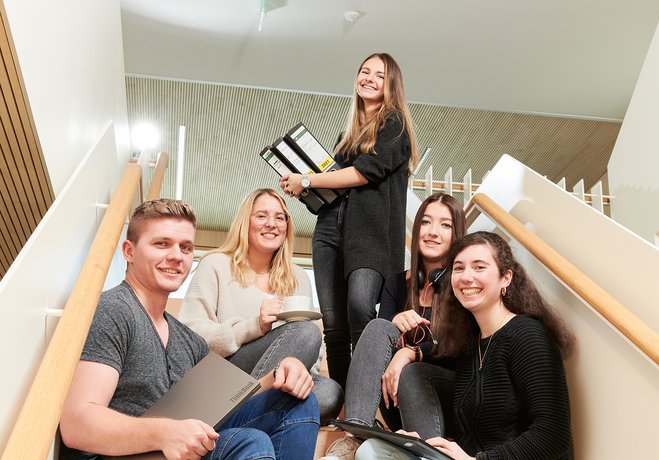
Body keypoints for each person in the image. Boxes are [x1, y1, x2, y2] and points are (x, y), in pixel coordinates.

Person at [59, 198, 319, 460]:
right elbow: (77, 425)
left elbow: (227, 401)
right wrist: (163, 433)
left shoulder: (188, 340)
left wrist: (279, 373)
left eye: (185, 247)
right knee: (247, 441)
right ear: (129, 251)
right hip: (126, 453)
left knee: (300, 401)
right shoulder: (113, 311)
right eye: (161, 244)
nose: (175, 256)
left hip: (179, 446)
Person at [354, 231, 575, 460]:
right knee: (371, 451)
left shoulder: (528, 335)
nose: (466, 277)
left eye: (479, 267)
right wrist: (414, 444)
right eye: (459, 268)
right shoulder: (470, 344)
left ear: (506, 278)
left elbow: (553, 435)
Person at [281, 52, 418, 390]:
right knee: (333, 324)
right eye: (364, 71)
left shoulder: (394, 124)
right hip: (329, 230)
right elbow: (337, 188)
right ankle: (342, 402)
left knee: (360, 309)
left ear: (391, 85)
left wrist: (309, 180)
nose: (368, 78)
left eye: (378, 74)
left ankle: (363, 399)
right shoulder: (348, 136)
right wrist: (307, 191)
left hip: (369, 235)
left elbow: (363, 174)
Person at [322, 193, 465, 458]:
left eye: (445, 225)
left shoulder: (463, 284)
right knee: (379, 326)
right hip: (398, 396)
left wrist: (408, 353)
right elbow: (378, 349)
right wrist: (395, 324)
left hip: (447, 397)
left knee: (412, 372)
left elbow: (461, 350)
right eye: (426, 222)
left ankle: (426, 452)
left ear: (457, 234)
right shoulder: (397, 283)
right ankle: (355, 434)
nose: (433, 232)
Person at [179, 188, 343, 419]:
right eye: (262, 216)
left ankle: (246, 413)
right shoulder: (215, 264)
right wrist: (253, 326)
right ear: (245, 222)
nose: (272, 224)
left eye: (279, 217)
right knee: (305, 332)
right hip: (223, 377)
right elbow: (190, 337)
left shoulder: (298, 277)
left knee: (330, 393)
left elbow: (307, 352)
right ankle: (236, 410)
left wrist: (304, 374)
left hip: (278, 379)